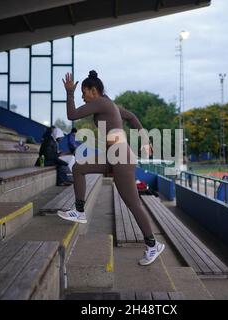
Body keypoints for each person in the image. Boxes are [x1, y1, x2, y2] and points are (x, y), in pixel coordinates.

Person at [57, 70, 164, 266]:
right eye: (79, 93)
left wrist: (69, 92)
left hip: (120, 157)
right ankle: (79, 210)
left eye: (84, 92)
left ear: (93, 90)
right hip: (113, 156)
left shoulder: (101, 102)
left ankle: (152, 244)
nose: (82, 96)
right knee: (79, 168)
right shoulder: (109, 104)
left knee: (133, 204)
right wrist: (145, 139)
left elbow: (71, 114)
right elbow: (131, 116)